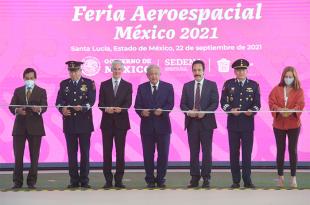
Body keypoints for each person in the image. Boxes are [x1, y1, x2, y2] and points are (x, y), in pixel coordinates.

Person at [220, 59, 261, 188]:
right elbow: (223, 102)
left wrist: (252, 111)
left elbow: (257, 104)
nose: (241, 72)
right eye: (238, 70)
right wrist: (230, 110)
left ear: (247, 71)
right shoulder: (228, 84)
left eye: (243, 69)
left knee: (247, 153)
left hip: (247, 124)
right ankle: (236, 180)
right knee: (234, 153)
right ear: (234, 71)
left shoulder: (254, 85)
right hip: (233, 124)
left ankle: (247, 180)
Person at [56, 61, 96, 188]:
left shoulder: (89, 83)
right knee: (71, 153)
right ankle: (74, 180)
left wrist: (83, 107)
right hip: (69, 123)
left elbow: (92, 100)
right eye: (71, 71)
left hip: (84, 123)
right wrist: (62, 109)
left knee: (85, 152)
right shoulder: (64, 84)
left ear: (80, 71)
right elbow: (58, 101)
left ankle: (84, 180)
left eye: (75, 71)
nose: (73, 73)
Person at [180, 60, 219, 188]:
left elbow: (215, 103)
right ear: (192, 71)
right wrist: (188, 112)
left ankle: (206, 177)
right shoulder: (187, 86)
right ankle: (194, 177)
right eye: (194, 70)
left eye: (199, 70)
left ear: (203, 71)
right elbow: (182, 104)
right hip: (192, 123)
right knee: (193, 152)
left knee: (207, 152)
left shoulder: (212, 85)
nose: (197, 73)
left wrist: (205, 112)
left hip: (206, 123)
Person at [134, 64, 174, 188]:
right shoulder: (141, 88)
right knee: (148, 155)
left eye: (156, 73)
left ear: (160, 74)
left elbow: (170, 104)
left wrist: (163, 110)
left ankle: (161, 178)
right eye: (151, 74)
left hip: (163, 127)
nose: (153, 76)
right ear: (147, 75)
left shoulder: (168, 87)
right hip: (147, 127)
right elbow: (137, 105)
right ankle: (150, 179)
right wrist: (141, 112)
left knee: (163, 154)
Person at [9, 68, 47, 189]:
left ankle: (31, 182)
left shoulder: (41, 91)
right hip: (19, 128)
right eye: (27, 78)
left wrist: (39, 109)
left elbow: (45, 106)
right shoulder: (18, 91)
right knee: (18, 156)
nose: (29, 80)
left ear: (35, 78)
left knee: (34, 156)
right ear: (24, 78)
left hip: (35, 128)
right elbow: (11, 106)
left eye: (31, 78)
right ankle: (17, 181)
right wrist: (17, 110)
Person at [268, 66, 305, 188]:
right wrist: (279, 110)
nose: (288, 78)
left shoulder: (299, 91)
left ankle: (293, 178)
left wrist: (291, 111)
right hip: (279, 124)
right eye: (286, 76)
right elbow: (271, 102)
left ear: (294, 78)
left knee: (292, 150)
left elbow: (301, 104)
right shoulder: (276, 89)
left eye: (290, 76)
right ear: (283, 77)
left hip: (294, 124)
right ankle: (280, 177)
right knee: (280, 150)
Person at [98, 60, 132, 189]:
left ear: (122, 70)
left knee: (120, 152)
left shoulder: (128, 85)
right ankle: (107, 180)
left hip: (121, 124)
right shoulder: (104, 84)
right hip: (107, 123)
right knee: (107, 152)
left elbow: (128, 103)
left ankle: (119, 180)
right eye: (115, 69)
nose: (117, 71)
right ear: (111, 70)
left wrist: (121, 109)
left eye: (119, 69)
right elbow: (100, 103)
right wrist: (106, 108)